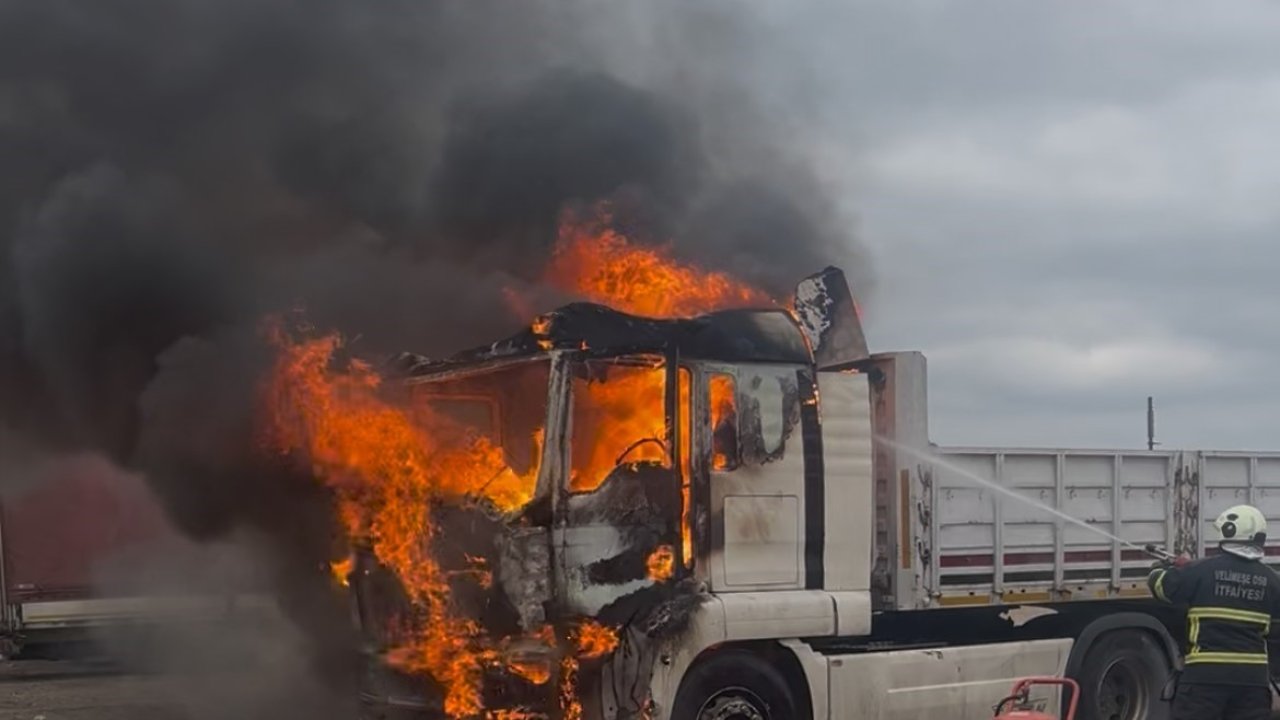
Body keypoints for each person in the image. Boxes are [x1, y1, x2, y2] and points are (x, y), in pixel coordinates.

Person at [1148, 504, 1280, 720]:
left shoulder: (1201, 571)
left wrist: (1159, 568)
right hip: (1252, 683)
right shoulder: (1272, 580)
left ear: (1228, 532)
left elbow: (1161, 586)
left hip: (1204, 679)